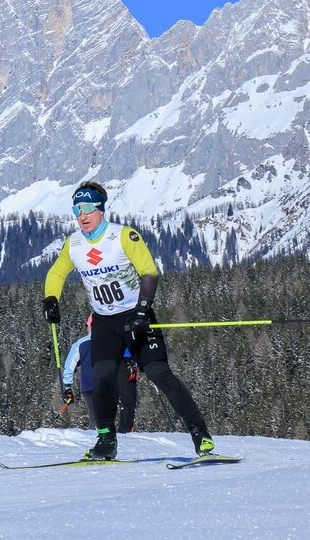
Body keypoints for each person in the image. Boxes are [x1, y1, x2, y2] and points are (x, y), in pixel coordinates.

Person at [43, 180, 215, 460]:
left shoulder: (123, 236)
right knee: (104, 378)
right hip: (104, 322)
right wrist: (51, 298)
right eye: (76, 210)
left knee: (160, 374)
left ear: (100, 209)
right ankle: (106, 441)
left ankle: (200, 434)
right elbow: (56, 273)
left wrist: (142, 311)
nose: (81, 216)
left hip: (136, 318)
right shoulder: (73, 244)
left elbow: (149, 272)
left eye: (87, 208)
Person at [62, 316, 137, 432]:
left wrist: (67, 387)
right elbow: (127, 354)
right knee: (108, 414)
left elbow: (69, 366)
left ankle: (97, 437)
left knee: (95, 415)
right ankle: (111, 436)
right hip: (108, 382)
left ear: (89, 327)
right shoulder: (113, 340)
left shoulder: (80, 344)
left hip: (88, 385)